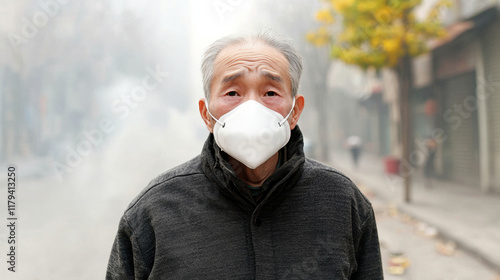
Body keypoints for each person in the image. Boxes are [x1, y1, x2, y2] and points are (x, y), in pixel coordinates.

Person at [106, 32, 383, 279]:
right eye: (233, 92)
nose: (252, 107)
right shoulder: (152, 213)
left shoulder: (344, 203)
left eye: (271, 92)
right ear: (207, 115)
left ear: (294, 112)